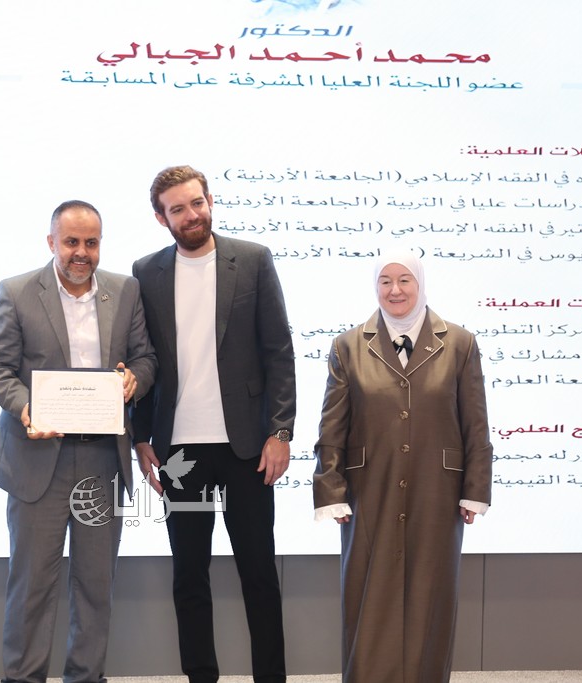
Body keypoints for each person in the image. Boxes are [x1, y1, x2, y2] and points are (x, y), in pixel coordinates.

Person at [0, 199, 156, 683]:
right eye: (72, 242)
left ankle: (86, 677)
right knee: (32, 587)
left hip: (102, 458)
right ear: (51, 242)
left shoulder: (125, 290)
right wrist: (26, 407)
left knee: (95, 586)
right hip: (38, 458)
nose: (82, 252)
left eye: (91, 242)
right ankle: (23, 678)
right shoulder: (16, 291)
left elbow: (145, 359)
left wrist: (134, 379)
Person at [132, 165, 296, 683]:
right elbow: (144, 360)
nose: (191, 215)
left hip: (247, 447)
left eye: (197, 203)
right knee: (189, 576)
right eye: (177, 209)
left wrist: (281, 432)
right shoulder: (145, 273)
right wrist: (140, 437)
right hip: (179, 451)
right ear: (161, 218)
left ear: (210, 201)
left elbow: (279, 352)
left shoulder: (252, 260)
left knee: (259, 573)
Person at [312, 249, 493, 683]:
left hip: (438, 491)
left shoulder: (460, 343)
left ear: (420, 283)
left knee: (432, 594)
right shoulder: (347, 346)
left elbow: (475, 423)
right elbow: (332, 427)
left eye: (404, 280)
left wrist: (475, 490)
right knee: (368, 594)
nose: (395, 290)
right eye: (385, 281)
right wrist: (330, 491)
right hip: (369, 490)